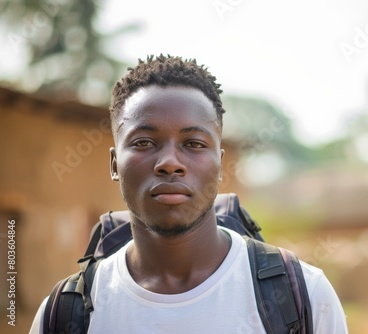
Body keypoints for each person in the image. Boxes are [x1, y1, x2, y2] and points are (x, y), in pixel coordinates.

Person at [30, 54, 348, 333]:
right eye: (143, 142)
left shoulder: (303, 295)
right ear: (115, 164)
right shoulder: (62, 316)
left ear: (221, 165)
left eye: (194, 144)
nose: (170, 163)